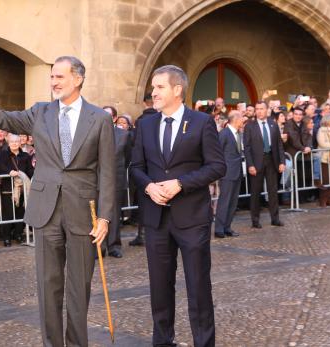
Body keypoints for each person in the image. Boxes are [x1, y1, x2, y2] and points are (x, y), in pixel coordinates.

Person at [0, 53, 114, 347]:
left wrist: (104, 217)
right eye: (52, 76)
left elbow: (109, 172)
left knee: (79, 287)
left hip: (83, 212)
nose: (54, 82)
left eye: (59, 76)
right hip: (46, 211)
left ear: (78, 79)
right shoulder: (40, 112)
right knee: (48, 286)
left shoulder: (99, 119)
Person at [130, 65, 225, 347]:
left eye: (159, 87)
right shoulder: (145, 124)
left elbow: (217, 166)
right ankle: (162, 342)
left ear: (177, 90)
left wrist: (181, 183)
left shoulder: (201, 122)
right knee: (160, 288)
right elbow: (135, 167)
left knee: (198, 287)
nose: (154, 92)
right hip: (156, 219)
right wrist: (148, 186)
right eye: (153, 87)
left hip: (192, 218)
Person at [243, 101, 285, 228]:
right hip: (256, 163)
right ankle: (255, 220)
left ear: (267, 110)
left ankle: (275, 218)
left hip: (272, 160)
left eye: (262, 109)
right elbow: (247, 147)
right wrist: (250, 165)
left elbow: (279, 145)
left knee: (273, 191)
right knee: (255, 192)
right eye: (257, 109)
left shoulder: (273, 124)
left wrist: (282, 161)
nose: (259, 111)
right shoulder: (250, 126)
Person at [130, 93, 157, 247]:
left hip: (143, 170)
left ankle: (143, 235)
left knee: (143, 205)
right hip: (156, 168)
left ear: (144, 103)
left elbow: (134, 144)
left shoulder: (141, 121)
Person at [0, 134, 34, 246]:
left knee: (20, 213)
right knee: (7, 213)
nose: (14, 144)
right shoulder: (4, 154)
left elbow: (29, 170)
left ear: (20, 143)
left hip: (22, 188)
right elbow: (0, 166)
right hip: (8, 188)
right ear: (8, 143)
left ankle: (18, 235)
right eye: (12, 142)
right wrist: (9, 172)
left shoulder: (25, 156)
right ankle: (6, 237)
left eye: (16, 142)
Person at [102, 120, 133, 258]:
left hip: (116, 179)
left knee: (114, 214)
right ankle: (99, 247)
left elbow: (128, 157)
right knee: (96, 214)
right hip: (96, 180)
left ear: (114, 118)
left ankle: (114, 246)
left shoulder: (124, 135)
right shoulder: (95, 131)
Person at [215, 110, 244, 238]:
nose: (243, 120)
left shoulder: (239, 134)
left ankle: (227, 227)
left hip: (237, 172)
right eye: (242, 118)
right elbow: (218, 153)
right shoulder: (224, 134)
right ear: (236, 119)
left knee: (233, 202)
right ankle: (219, 229)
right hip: (227, 173)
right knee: (224, 201)